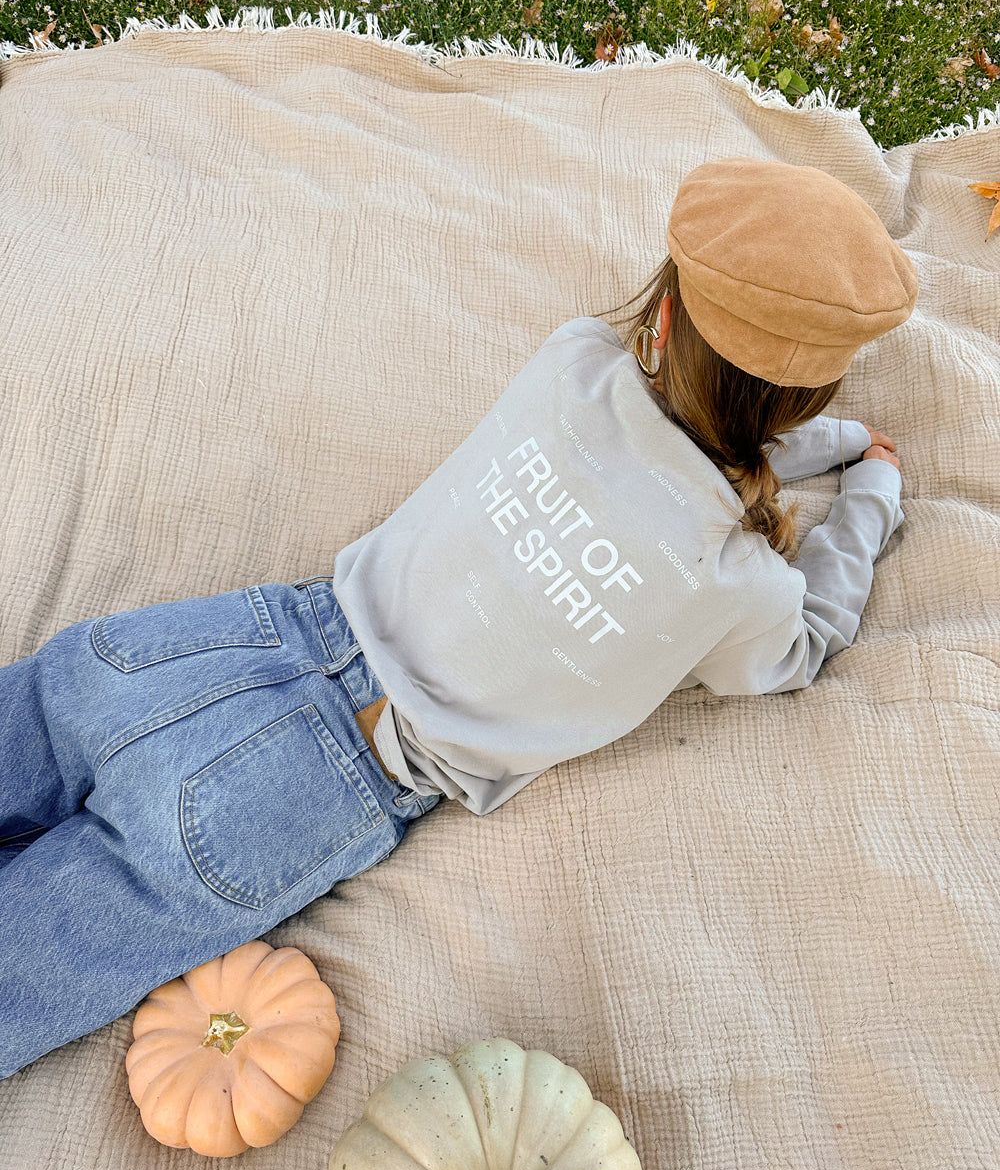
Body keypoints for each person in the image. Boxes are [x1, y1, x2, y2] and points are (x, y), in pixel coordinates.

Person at [0, 156, 918, 1079]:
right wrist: (868, 482)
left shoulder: (575, 362)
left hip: (212, 647)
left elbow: (692, 426)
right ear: (808, 401)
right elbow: (806, 639)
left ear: (663, 315)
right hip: (317, 783)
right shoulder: (741, 587)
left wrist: (819, 447)